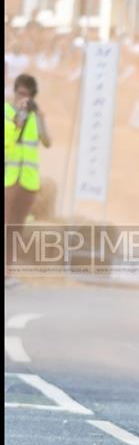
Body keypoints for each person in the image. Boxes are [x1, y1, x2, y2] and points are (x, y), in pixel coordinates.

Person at [5, 74, 52, 286]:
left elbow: (47, 141)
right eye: (22, 94)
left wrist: (40, 117)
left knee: (16, 228)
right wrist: (18, 120)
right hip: (9, 178)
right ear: (15, 93)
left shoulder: (35, 116)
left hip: (28, 181)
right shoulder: (7, 112)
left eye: (29, 95)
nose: (25, 99)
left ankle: (8, 271)